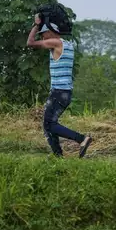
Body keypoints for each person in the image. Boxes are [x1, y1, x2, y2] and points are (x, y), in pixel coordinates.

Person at [27, 15, 93, 158]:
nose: (43, 37)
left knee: (49, 124)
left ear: (50, 31)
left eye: (43, 34)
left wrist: (36, 25)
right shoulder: (67, 44)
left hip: (59, 92)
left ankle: (82, 139)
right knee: (48, 125)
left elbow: (30, 43)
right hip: (65, 93)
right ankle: (58, 156)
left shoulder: (55, 43)